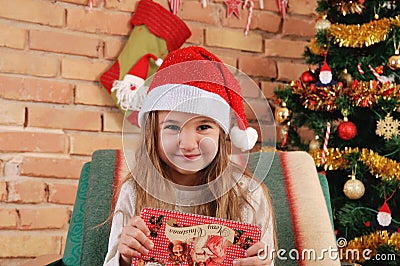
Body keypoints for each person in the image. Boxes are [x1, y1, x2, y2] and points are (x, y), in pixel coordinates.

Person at [103, 46, 276, 266]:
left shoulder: (249, 197)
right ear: (152, 134)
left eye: (203, 127)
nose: (187, 144)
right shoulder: (134, 192)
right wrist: (125, 258)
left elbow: (264, 260)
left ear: (222, 135)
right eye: (173, 127)